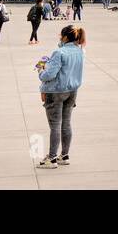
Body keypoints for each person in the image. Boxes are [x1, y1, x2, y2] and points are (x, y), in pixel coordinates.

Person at [37, 25, 86, 168]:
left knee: (55, 126)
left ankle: (51, 159)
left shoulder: (59, 52)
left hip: (56, 92)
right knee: (66, 124)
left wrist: (41, 70)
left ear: (65, 37)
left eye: (60, 36)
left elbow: (49, 75)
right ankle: (64, 155)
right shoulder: (80, 51)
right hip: (72, 91)